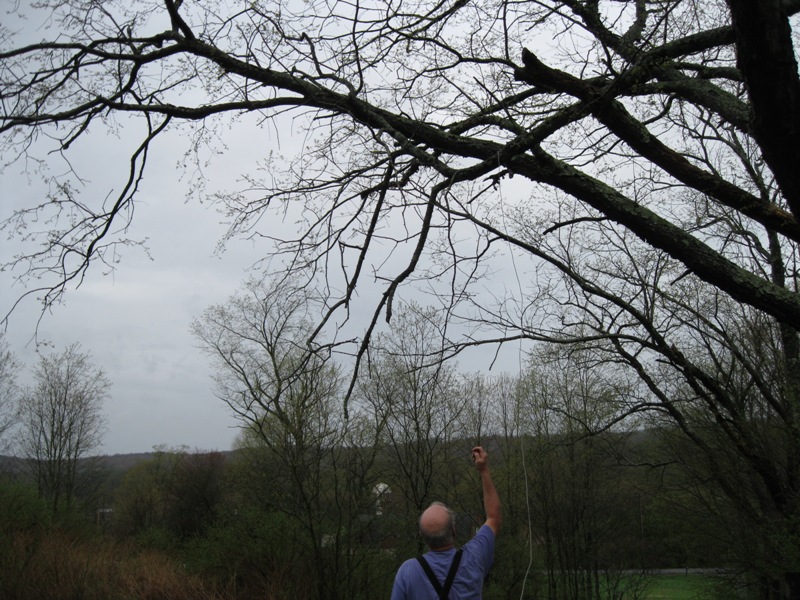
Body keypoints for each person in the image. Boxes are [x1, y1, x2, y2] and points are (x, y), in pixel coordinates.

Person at [390, 446, 502, 600]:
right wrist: (483, 470)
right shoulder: (473, 558)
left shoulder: (408, 572)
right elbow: (493, 518)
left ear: (422, 536)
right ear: (454, 530)